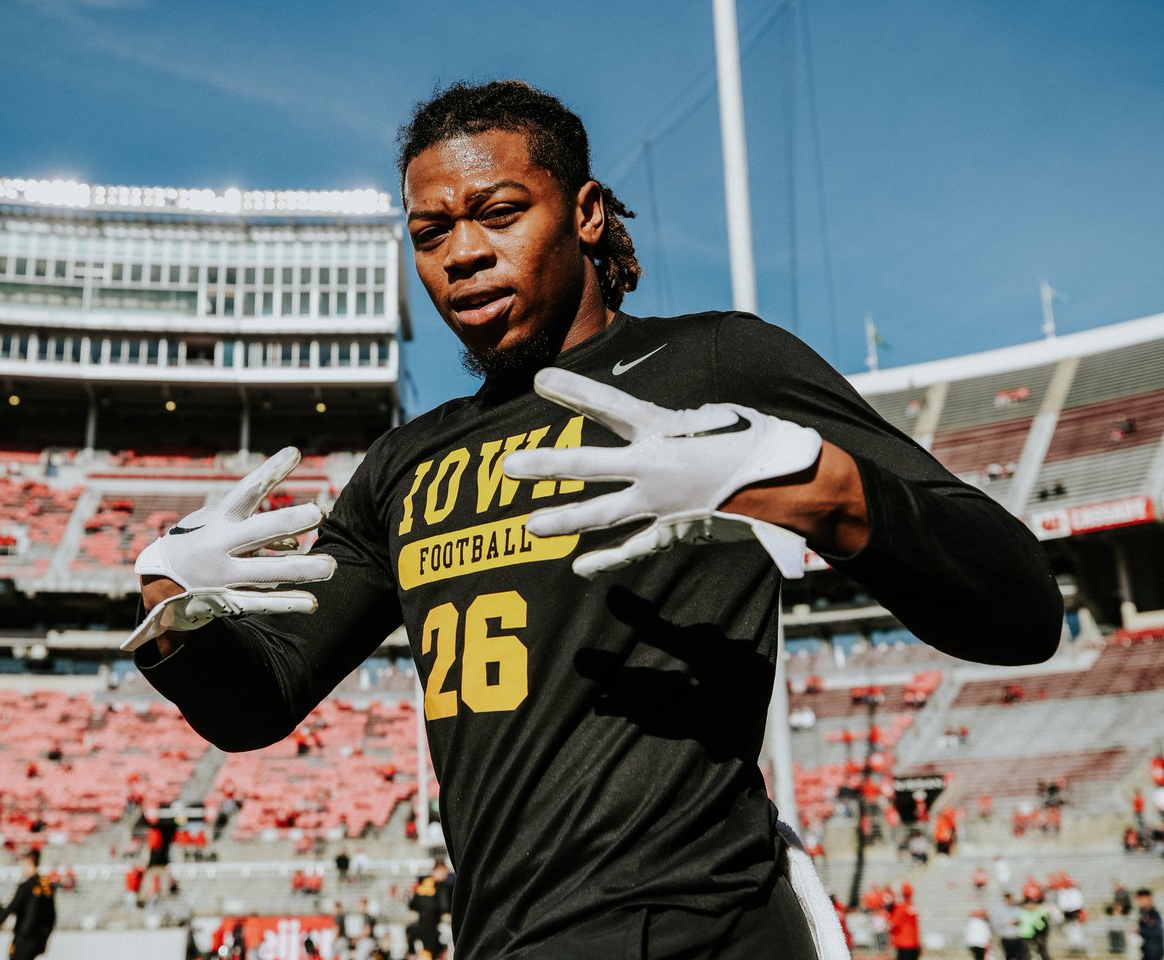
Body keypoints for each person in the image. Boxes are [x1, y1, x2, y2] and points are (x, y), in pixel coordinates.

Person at [126, 79, 1063, 960]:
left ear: (584, 213)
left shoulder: (713, 366)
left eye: (498, 213)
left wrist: (818, 486)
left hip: (708, 924)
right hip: (505, 938)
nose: (461, 254)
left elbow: (1020, 608)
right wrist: (172, 600)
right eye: (429, 231)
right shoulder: (401, 467)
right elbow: (257, 704)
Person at [0, 851, 55, 960]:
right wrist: (45, 938)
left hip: (23, 940)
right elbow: (52, 916)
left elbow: (9, 910)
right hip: (38, 940)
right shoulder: (46, 887)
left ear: (29, 863)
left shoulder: (26, 887)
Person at [888, 883, 921, 960]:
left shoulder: (902, 907)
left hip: (903, 943)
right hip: (913, 942)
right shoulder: (912, 905)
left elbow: (892, 924)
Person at [1139, 888, 1164, 960]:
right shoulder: (1143, 912)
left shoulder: (1154, 914)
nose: (1140, 902)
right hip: (1147, 949)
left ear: (1149, 899)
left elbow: (1157, 931)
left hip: (1154, 951)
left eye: (1142, 899)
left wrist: (1139, 930)